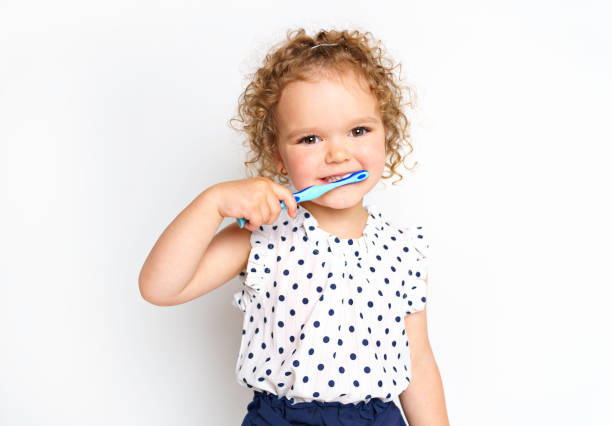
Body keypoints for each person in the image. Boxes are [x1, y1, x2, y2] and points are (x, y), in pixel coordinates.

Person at [139, 28, 449, 425]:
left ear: (387, 135)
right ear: (278, 156)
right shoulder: (262, 237)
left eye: (359, 130)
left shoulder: (403, 249)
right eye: (310, 138)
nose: (337, 154)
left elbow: (418, 363)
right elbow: (160, 287)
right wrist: (212, 203)